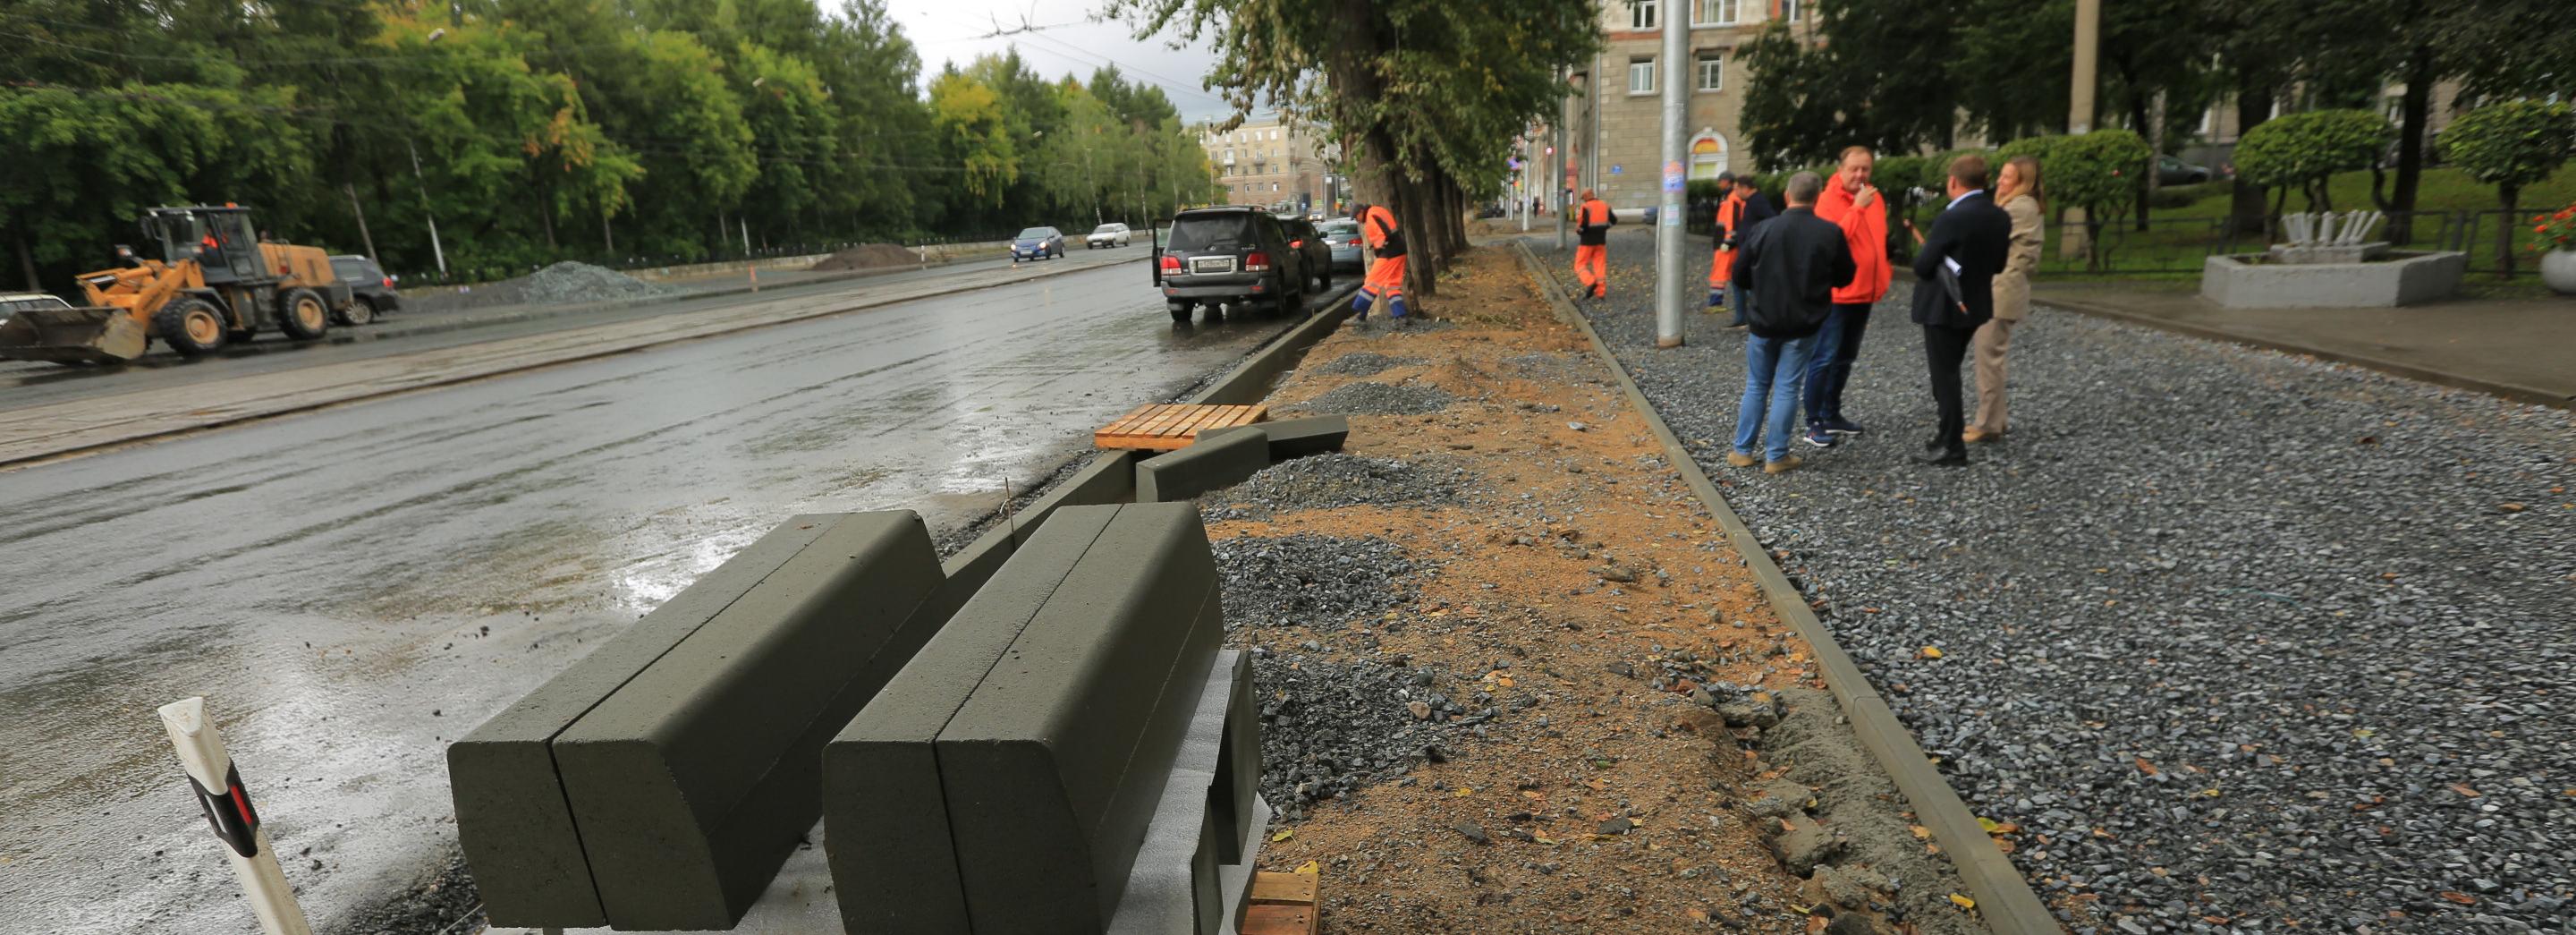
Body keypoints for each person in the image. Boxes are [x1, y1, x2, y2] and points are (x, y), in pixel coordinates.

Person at [1726, 172, 1855, 475]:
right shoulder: (1829, 232)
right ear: (1817, 198)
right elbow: (1845, 276)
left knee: (1756, 385)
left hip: (1763, 321)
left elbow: (1739, 275)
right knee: (1787, 386)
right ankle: (1776, 456)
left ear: (1787, 196)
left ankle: (1742, 451)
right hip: (1803, 323)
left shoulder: (1762, 229)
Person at [1904, 154, 2012, 466]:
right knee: (1950, 371)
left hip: (1943, 305)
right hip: (1975, 304)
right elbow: (1999, 264)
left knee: (1945, 377)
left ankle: (1952, 445)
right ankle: (1945, 435)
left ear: (1953, 182)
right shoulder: (2000, 216)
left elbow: (1924, 266)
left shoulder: (1952, 217)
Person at [1800, 146, 1893, 449]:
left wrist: (1883, 273)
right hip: (1837, 295)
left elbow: (1877, 241)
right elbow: (1832, 241)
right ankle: (1813, 421)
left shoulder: (1875, 198)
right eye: (1854, 169)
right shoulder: (1827, 200)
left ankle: (1832, 413)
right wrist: (1857, 208)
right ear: (1840, 170)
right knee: (1823, 358)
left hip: (1865, 292)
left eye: (1866, 169)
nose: (1860, 175)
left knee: (1845, 358)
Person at [1971, 156, 2044, 443]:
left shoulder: (2018, 207)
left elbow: (1983, 236)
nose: (1999, 182)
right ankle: (1995, 420)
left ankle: (1987, 424)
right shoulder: (2021, 205)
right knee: (1993, 358)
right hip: (2005, 288)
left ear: (2023, 182)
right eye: (2000, 175)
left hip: (2000, 290)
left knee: (1989, 358)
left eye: (2007, 177)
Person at [1716, 175, 1778, 329]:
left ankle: (1752, 317)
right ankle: (1746, 317)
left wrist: (1758, 238)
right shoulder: (1751, 202)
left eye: (1737, 189)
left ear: (1745, 188)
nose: (1736, 192)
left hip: (1754, 249)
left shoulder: (1757, 202)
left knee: (1746, 282)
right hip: (1748, 247)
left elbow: (1772, 219)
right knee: (1742, 281)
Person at [1350, 199, 1409, 319]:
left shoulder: (1370, 215)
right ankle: (1401, 316)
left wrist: (1378, 250)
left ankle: (1360, 314)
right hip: (1400, 250)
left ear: (1361, 212)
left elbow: (1383, 235)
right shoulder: (1377, 210)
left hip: (1390, 253)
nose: (1358, 221)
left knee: (1372, 281)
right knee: (1392, 284)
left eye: (1356, 218)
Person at [1572, 189, 1614, 299]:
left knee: (1579, 265)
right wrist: (1605, 227)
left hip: (1586, 242)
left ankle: (1590, 281)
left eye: (1583, 198)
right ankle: (1600, 292)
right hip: (1601, 241)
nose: (1583, 200)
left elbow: (1582, 226)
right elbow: (1614, 221)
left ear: (1586, 196)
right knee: (1599, 266)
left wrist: (1578, 231)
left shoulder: (1586, 207)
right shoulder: (1605, 205)